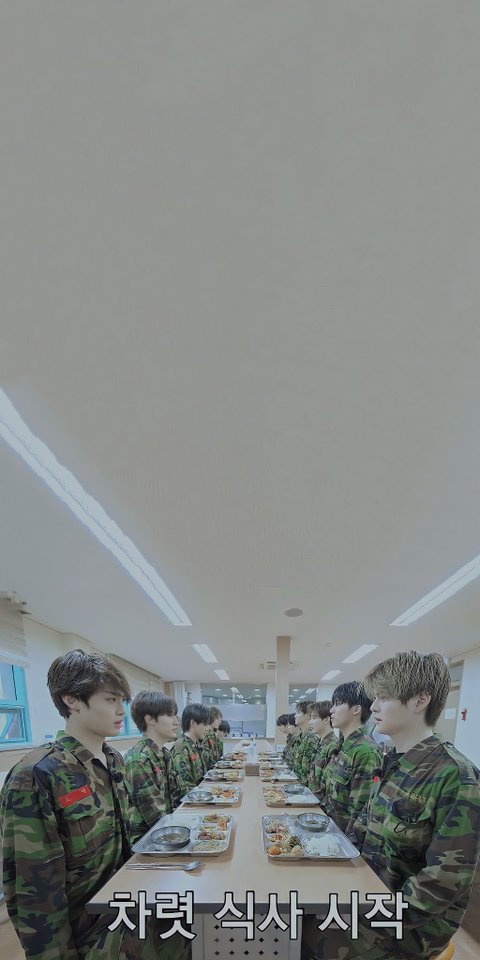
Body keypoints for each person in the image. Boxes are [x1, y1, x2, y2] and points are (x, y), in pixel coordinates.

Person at [0, 649, 189, 960]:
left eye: (122, 700)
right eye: (110, 700)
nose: (121, 710)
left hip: (124, 902)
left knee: (199, 918)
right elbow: (34, 896)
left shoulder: (112, 760)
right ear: (72, 699)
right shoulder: (38, 774)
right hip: (88, 932)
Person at [302, 651, 480, 960]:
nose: (373, 706)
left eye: (384, 697)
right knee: (297, 912)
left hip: (407, 926)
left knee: (303, 936)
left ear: (420, 701)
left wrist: (371, 913)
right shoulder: (393, 762)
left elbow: (444, 882)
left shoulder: (455, 775)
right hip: (368, 892)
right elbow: (360, 833)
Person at [322, 680, 381, 834]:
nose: (331, 710)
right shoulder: (342, 746)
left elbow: (361, 813)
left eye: (338, 704)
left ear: (356, 709)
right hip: (329, 830)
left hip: (343, 839)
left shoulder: (366, 752)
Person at [124, 690, 182, 842]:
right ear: (150, 719)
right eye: (170, 715)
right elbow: (155, 816)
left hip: (167, 830)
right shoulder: (139, 759)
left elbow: (175, 798)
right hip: (147, 840)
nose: (176, 722)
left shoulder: (164, 753)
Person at [170, 703, 210, 799]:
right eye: (205, 724)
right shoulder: (181, 747)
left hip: (200, 796)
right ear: (193, 723)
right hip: (189, 801)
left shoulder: (196, 745)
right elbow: (185, 788)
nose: (208, 729)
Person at [306, 700, 338, 797]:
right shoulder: (320, 743)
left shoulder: (333, 746)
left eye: (314, 718)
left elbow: (328, 787)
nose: (310, 723)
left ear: (326, 720)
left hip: (320, 803)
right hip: (312, 799)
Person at [293, 700, 317, 783]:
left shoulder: (311, 737)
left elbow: (308, 770)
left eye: (298, 712)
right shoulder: (302, 736)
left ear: (307, 715)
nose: (295, 716)